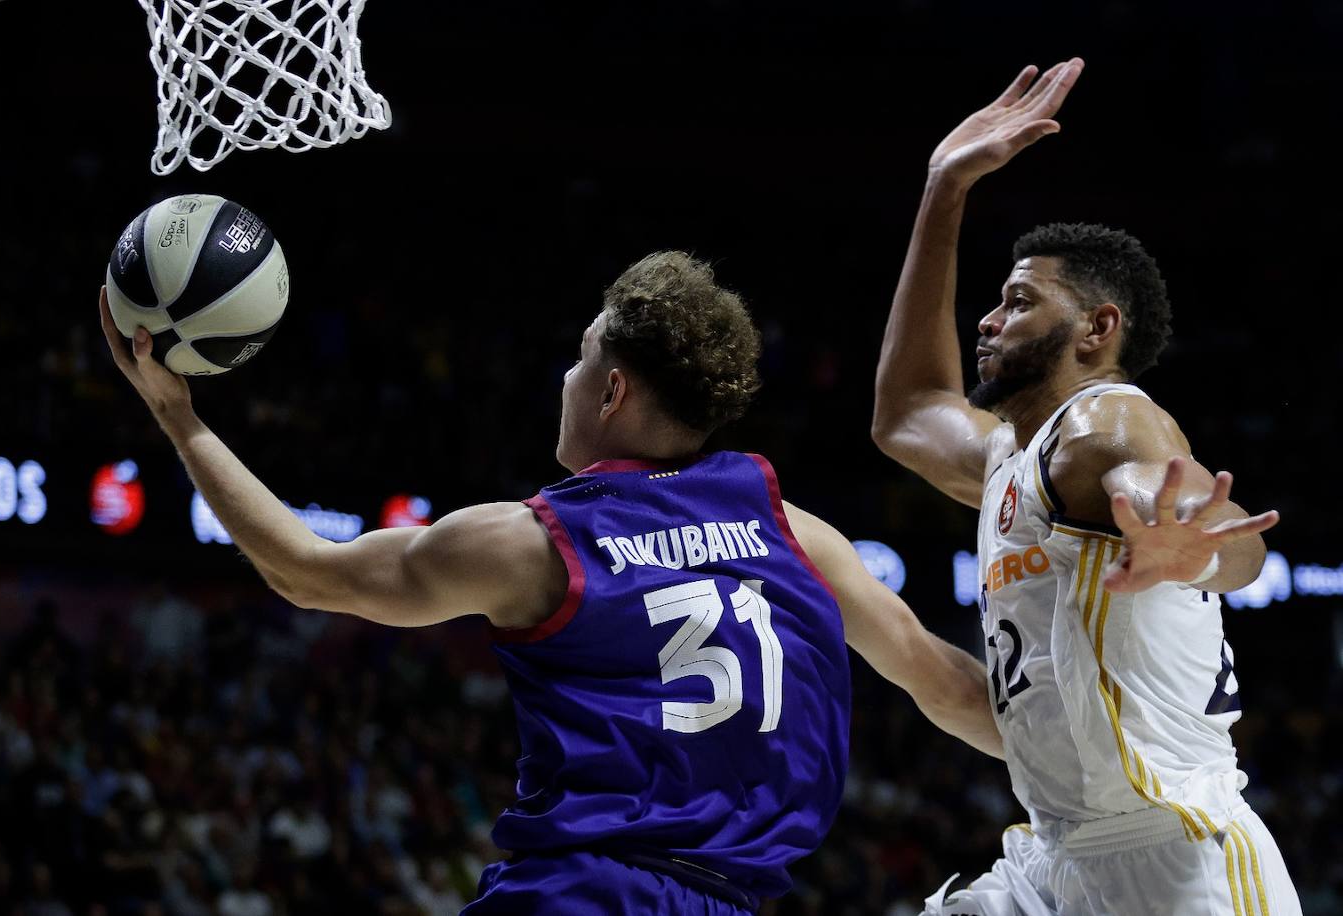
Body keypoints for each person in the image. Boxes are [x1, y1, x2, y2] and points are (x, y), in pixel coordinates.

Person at [100, 251, 1002, 915]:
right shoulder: (800, 534)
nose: (563, 378)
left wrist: (180, 422)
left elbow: (303, 571)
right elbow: (947, 684)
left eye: (579, 359)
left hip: (581, 894)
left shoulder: (538, 542)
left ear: (611, 393)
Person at [870, 58, 1301, 914]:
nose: (988, 321)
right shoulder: (1010, 455)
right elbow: (911, 411)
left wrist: (1191, 549)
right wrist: (943, 189)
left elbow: (1228, 539)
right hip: (1057, 851)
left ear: (1098, 329)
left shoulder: (1105, 426)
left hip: (1178, 856)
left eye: (1020, 301)